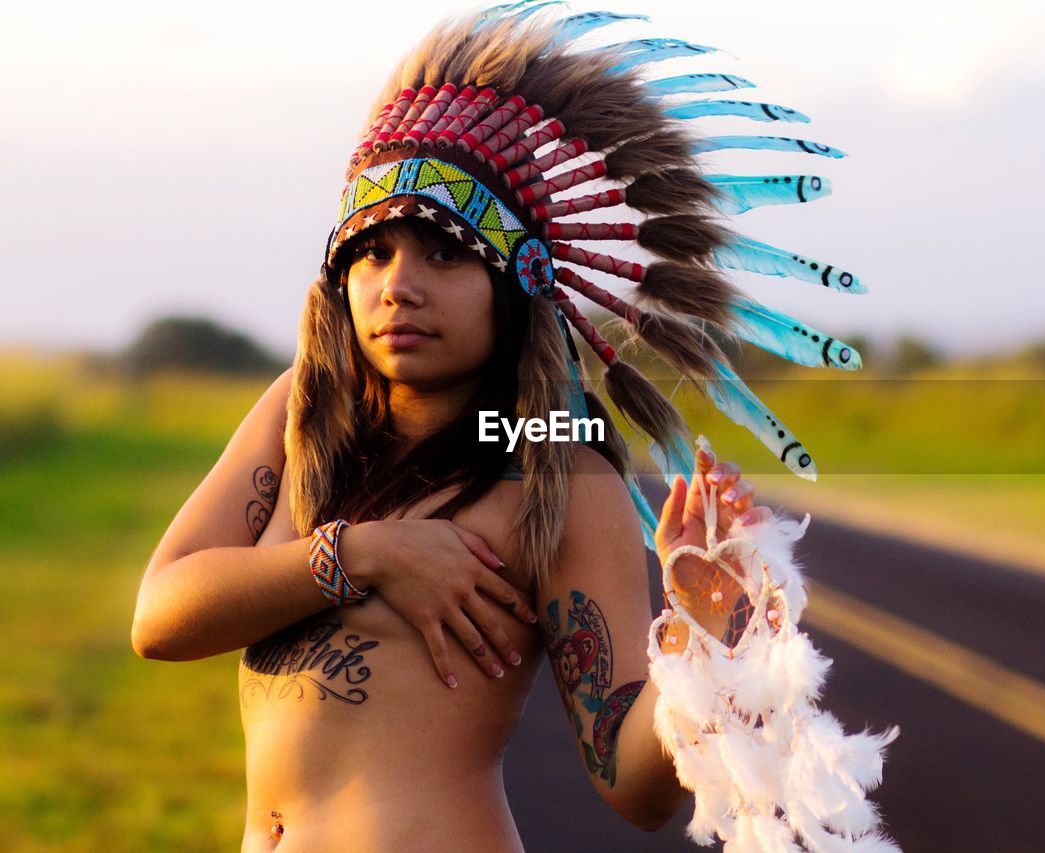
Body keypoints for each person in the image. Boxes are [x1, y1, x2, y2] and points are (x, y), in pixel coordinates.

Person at [132, 4, 878, 848]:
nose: (397, 286)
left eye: (446, 253)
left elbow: (632, 785)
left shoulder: (554, 470)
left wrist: (702, 648)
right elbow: (161, 615)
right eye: (372, 252)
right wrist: (364, 554)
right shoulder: (305, 408)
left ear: (516, 283)